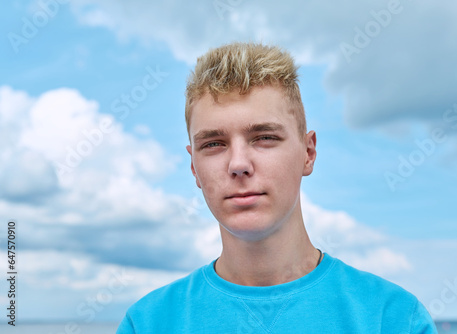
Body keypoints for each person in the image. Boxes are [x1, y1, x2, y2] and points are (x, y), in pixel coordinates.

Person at [116, 42, 437, 333]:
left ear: (308, 153)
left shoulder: (392, 319)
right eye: (214, 143)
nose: (238, 163)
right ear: (193, 167)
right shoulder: (148, 323)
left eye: (264, 138)